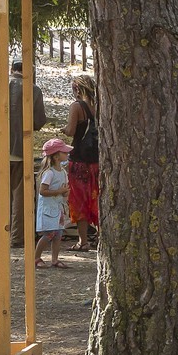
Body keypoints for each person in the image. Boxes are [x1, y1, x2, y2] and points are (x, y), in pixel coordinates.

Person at [0, 60, 48, 248]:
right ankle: (16, 238)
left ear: (11, 69)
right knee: (20, 197)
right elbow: (39, 121)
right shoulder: (34, 90)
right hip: (21, 148)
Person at [62, 73, 99, 251]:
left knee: (79, 200)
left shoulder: (77, 106)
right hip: (97, 159)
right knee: (97, 197)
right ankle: (100, 238)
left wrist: (63, 129)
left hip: (79, 160)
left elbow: (71, 131)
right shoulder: (100, 105)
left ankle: (83, 241)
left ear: (77, 89)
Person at [35, 138, 71, 269]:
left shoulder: (63, 172)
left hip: (58, 207)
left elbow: (64, 189)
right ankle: (36, 257)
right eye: (64, 152)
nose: (67, 155)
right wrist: (58, 191)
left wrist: (65, 193)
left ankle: (55, 259)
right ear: (56, 156)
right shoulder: (49, 173)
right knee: (49, 234)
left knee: (58, 234)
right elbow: (42, 191)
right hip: (48, 208)